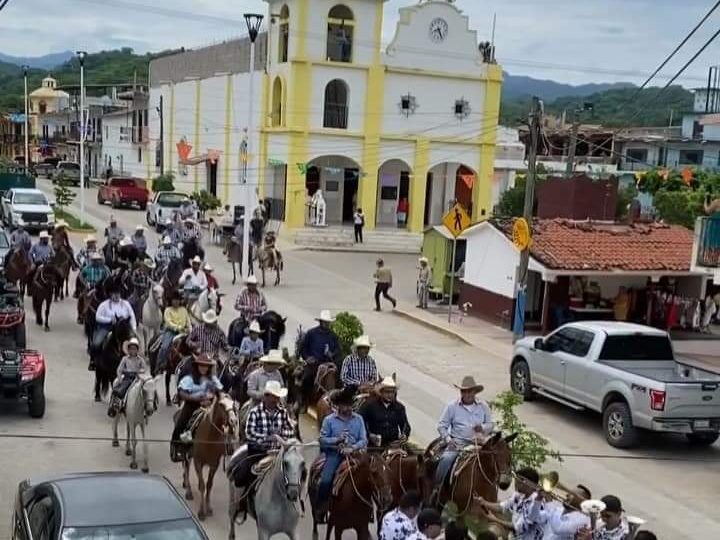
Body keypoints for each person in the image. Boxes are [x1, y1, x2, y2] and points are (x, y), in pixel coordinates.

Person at [233, 380, 295, 502]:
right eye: (273, 397)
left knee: (296, 471)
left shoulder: (283, 412)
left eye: (277, 397)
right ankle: (240, 503)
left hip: (279, 452)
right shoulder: (254, 412)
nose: (275, 400)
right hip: (258, 452)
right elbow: (250, 433)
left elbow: (290, 429)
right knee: (241, 475)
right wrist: (267, 437)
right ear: (266, 396)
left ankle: (295, 500)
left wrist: (282, 437)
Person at [315, 387, 368, 522]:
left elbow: (363, 440)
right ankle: (321, 506)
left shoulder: (359, 419)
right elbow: (322, 439)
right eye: (345, 405)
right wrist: (336, 440)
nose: (348, 408)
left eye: (350, 405)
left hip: (355, 455)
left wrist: (353, 448)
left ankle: (369, 509)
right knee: (326, 480)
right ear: (338, 406)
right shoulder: (329, 420)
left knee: (371, 478)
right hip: (335, 454)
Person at [434, 376, 494, 493]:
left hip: (479, 443)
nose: (466, 394)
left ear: (475, 392)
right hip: (458, 443)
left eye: (469, 391)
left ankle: (493, 489)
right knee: (446, 459)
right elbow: (442, 425)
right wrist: (448, 440)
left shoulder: (483, 406)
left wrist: (482, 427)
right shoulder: (452, 406)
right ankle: (438, 487)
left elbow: (491, 424)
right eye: (464, 391)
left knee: (495, 461)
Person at [170, 354, 222, 461]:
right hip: (192, 405)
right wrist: (197, 399)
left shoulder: (212, 379)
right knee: (181, 422)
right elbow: (182, 393)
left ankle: (225, 446)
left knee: (223, 421)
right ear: (197, 366)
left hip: (210, 405)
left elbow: (220, 391)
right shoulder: (189, 378)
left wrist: (213, 397)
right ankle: (176, 447)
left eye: (206, 366)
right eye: (201, 365)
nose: (203, 368)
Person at [476, 467, 545, 540]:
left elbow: (517, 527)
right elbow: (501, 507)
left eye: (518, 480)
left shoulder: (537, 504)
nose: (515, 483)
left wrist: (495, 519)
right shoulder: (518, 495)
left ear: (526, 482)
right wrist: (483, 502)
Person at [299, 310, 340, 407]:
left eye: (328, 322)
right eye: (325, 322)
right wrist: (307, 358)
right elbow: (303, 348)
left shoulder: (332, 335)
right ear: (320, 322)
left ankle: (337, 401)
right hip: (314, 363)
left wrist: (332, 354)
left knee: (339, 380)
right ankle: (304, 402)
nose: (326, 324)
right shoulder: (311, 333)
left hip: (327, 363)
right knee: (307, 378)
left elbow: (337, 350)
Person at [360, 376, 411, 448]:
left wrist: (403, 436)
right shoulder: (369, 405)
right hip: (373, 446)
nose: (390, 395)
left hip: (393, 445)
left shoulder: (399, 407)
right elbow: (360, 422)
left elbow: (405, 426)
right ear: (381, 392)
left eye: (392, 392)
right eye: (387, 392)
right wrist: (369, 435)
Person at [108, 337, 147, 417]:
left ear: (137, 350)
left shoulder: (140, 360)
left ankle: (146, 408)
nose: (133, 351)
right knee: (120, 388)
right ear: (128, 350)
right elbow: (119, 369)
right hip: (127, 377)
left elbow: (144, 368)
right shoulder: (125, 359)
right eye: (131, 349)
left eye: (134, 349)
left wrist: (140, 371)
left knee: (146, 390)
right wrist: (119, 378)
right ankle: (114, 404)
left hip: (137, 378)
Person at [157, 290, 192, 372]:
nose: (176, 302)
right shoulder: (168, 310)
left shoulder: (184, 310)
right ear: (171, 301)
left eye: (177, 300)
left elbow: (188, 321)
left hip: (184, 332)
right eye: (174, 300)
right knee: (164, 347)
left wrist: (190, 329)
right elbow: (168, 322)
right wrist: (178, 327)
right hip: (171, 332)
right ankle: (161, 364)